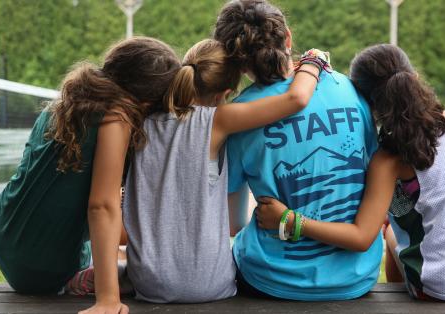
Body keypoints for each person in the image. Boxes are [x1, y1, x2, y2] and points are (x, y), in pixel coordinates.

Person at [257, 44, 445, 302]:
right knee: (395, 224)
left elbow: (362, 238)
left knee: (389, 233)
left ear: (368, 105)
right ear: (414, 77)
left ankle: (398, 296)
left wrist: (290, 220)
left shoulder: (388, 159)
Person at [122, 38, 325, 303]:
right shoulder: (218, 120)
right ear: (224, 94)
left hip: (149, 284)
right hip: (212, 284)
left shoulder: (142, 121)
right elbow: (295, 98)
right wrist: (314, 59)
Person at [0, 37, 181, 314]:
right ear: (146, 101)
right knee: (134, 265)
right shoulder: (117, 117)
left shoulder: (68, 100)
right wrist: (108, 300)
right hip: (39, 268)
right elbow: (101, 206)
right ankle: (76, 280)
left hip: (6, 231)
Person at [214, 0, 382, 300]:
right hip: (357, 277)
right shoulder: (347, 87)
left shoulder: (237, 116)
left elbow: (233, 223)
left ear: (236, 61)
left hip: (271, 279)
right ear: (288, 38)